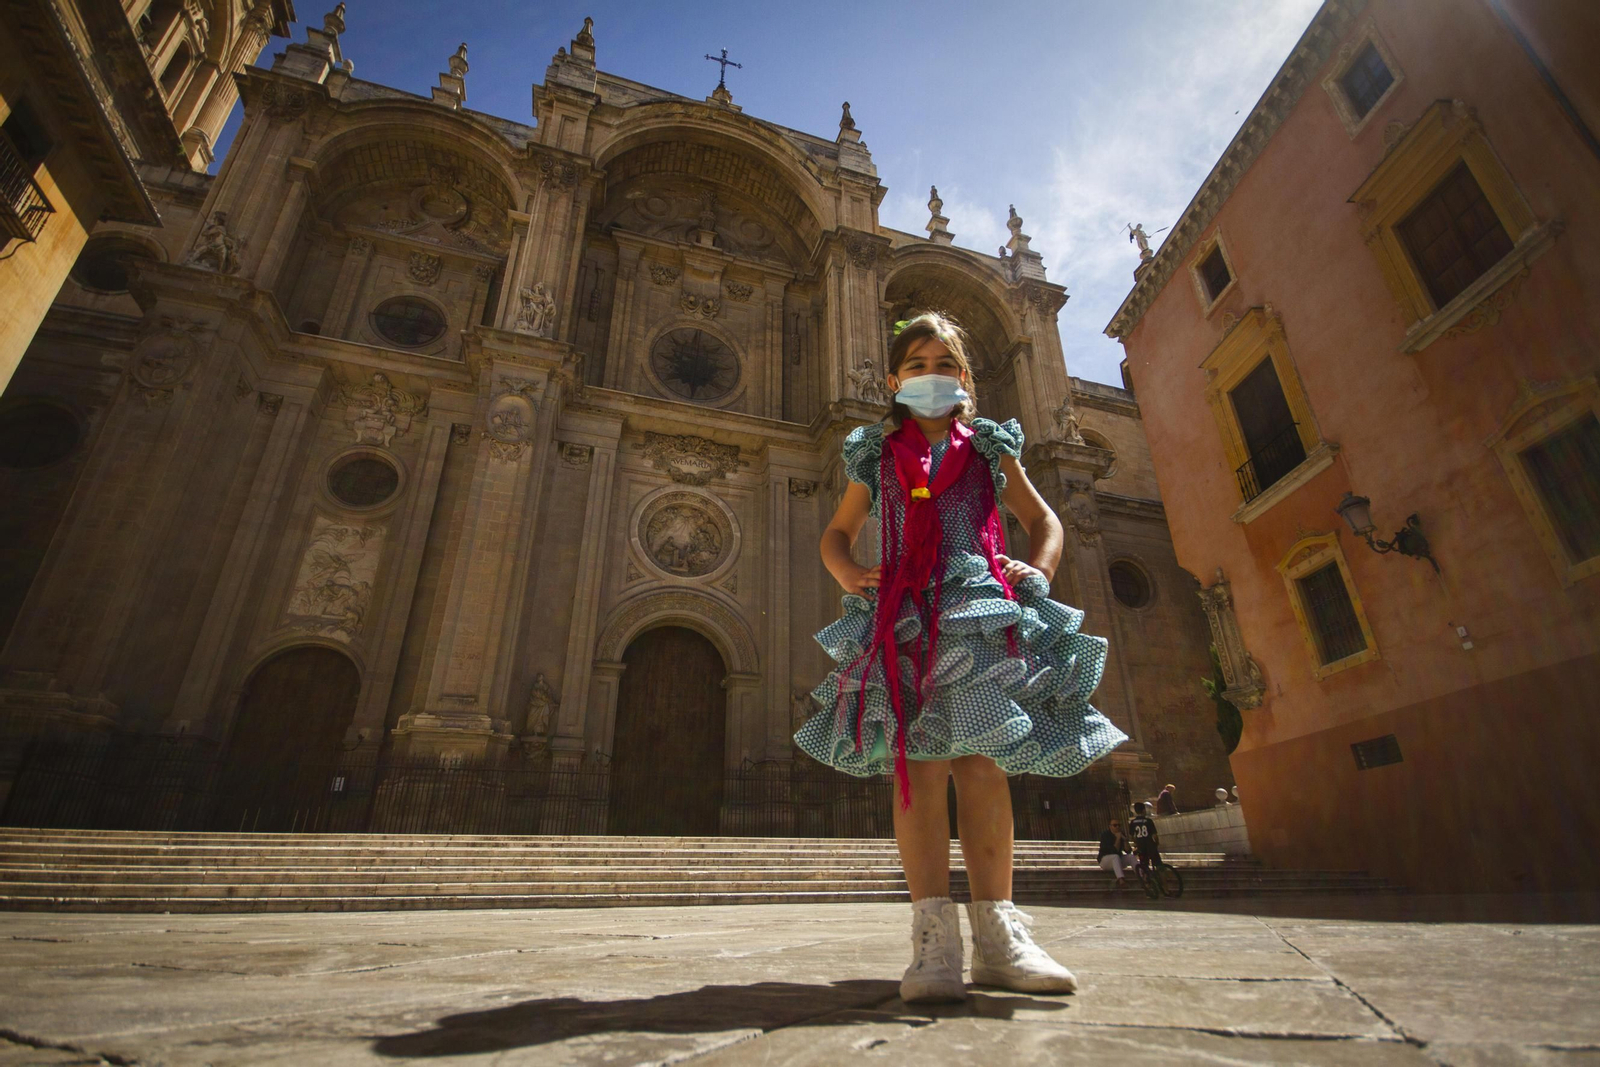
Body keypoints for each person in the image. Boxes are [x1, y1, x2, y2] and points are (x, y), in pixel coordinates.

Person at [794, 312, 1126, 1004]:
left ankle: (1000, 937)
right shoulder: (875, 454)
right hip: (909, 615)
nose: (929, 376)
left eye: (943, 363)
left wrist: (1038, 568)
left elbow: (1046, 519)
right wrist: (851, 574)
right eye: (915, 365)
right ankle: (934, 941)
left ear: (964, 377)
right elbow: (836, 533)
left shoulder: (988, 449)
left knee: (981, 764)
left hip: (977, 609)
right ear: (894, 380)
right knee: (918, 766)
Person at [1128, 801, 1161, 881]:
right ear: (1143, 810)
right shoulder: (1148, 821)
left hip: (1141, 846)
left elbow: (1132, 836)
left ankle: (1146, 883)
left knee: (1144, 864)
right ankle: (1165, 887)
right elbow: (1154, 835)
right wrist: (1157, 843)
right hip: (1150, 844)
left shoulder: (1132, 822)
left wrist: (1136, 844)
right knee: (1159, 865)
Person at [1098, 818, 1132, 889]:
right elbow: (1114, 850)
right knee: (1115, 856)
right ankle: (1121, 880)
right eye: (1115, 825)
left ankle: (1143, 876)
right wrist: (1118, 839)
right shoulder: (1105, 835)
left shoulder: (1121, 834)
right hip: (1105, 861)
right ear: (1110, 826)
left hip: (1117, 860)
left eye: (1119, 825)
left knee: (1130, 857)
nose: (1117, 827)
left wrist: (1125, 840)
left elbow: (1128, 850)